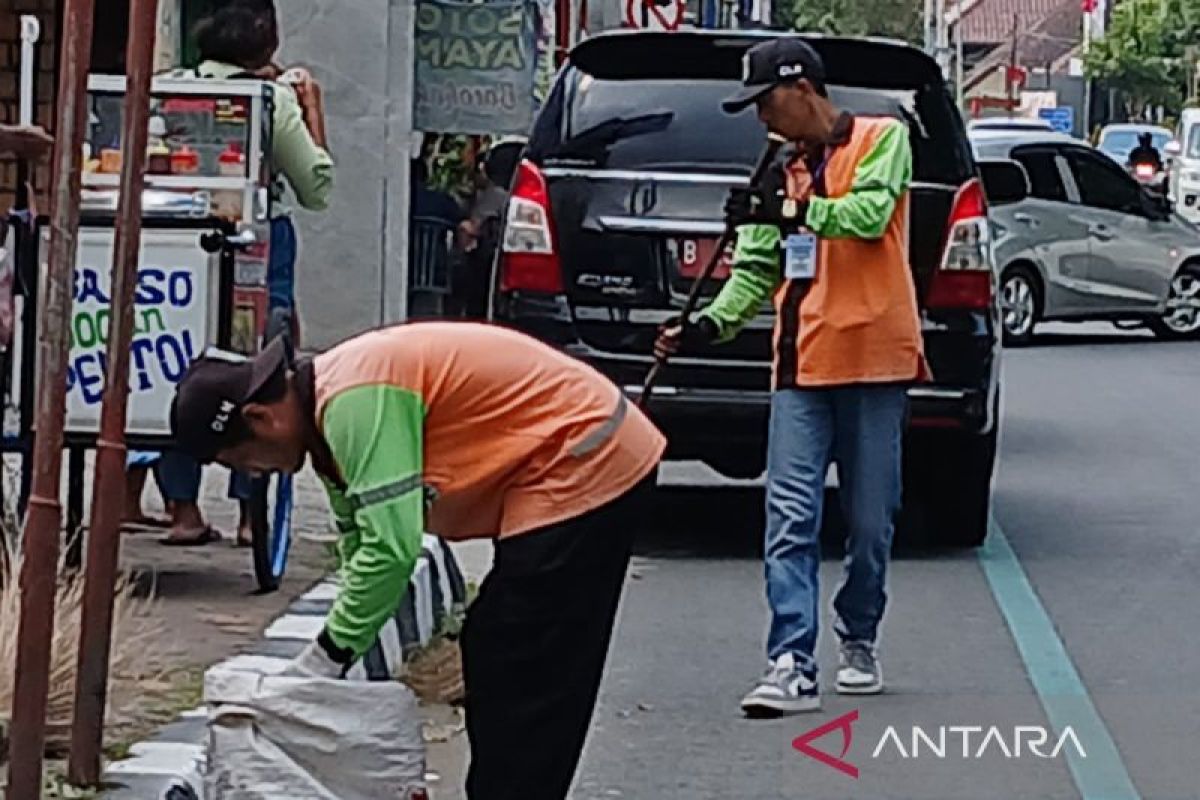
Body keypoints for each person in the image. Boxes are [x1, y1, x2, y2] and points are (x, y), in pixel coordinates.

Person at [169, 322, 665, 800]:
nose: (253, 474)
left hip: (586, 454)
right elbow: (361, 550)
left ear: (260, 418)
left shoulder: (352, 403)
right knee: (494, 644)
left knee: (525, 655)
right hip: (563, 460)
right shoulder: (324, 424)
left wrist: (322, 661)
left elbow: (391, 551)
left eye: (238, 461)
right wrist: (334, 656)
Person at [656, 38, 926, 716]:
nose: (761, 120)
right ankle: (791, 660)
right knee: (789, 518)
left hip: (874, 360)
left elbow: (866, 218)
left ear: (801, 88)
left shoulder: (882, 138)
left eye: (765, 102)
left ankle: (858, 633)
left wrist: (790, 212)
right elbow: (753, 273)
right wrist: (704, 327)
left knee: (870, 522)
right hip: (800, 366)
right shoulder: (777, 175)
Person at [155, 0, 334, 545]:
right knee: (255, 360)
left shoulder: (168, 88)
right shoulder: (272, 100)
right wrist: (311, 109)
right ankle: (251, 516)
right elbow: (317, 187)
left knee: (171, 352)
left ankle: (181, 507)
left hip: (172, 245)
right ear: (268, 45)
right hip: (255, 246)